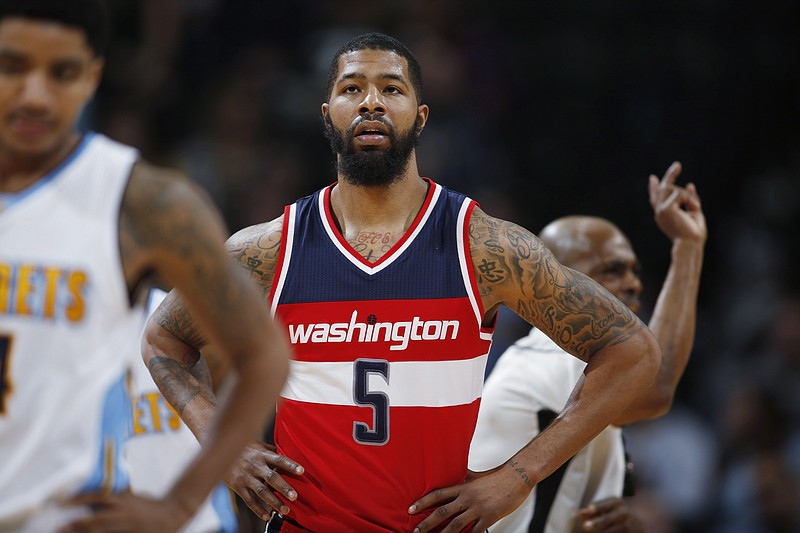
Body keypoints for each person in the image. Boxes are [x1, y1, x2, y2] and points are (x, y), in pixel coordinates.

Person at [143, 32, 661, 533]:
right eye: (352, 89)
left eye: (392, 89)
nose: (371, 102)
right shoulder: (267, 250)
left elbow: (632, 350)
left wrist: (517, 477)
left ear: (421, 116)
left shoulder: (483, 247)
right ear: (328, 115)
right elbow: (161, 338)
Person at [0, 1, 290, 531]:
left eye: (62, 72)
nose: (35, 94)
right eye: (13, 66)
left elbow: (265, 355)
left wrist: (179, 505)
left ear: (92, 78)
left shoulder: (142, 200)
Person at [468, 161, 706, 532]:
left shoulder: (576, 366)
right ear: (563, 280)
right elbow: (657, 388)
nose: (633, 284)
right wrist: (688, 248)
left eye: (634, 272)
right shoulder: (550, 357)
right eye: (612, 270)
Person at [125, 288, 238, 533]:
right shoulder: (69, 332)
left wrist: (238, 453)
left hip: (200, 520)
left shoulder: (178, 320)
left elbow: (248, 375)